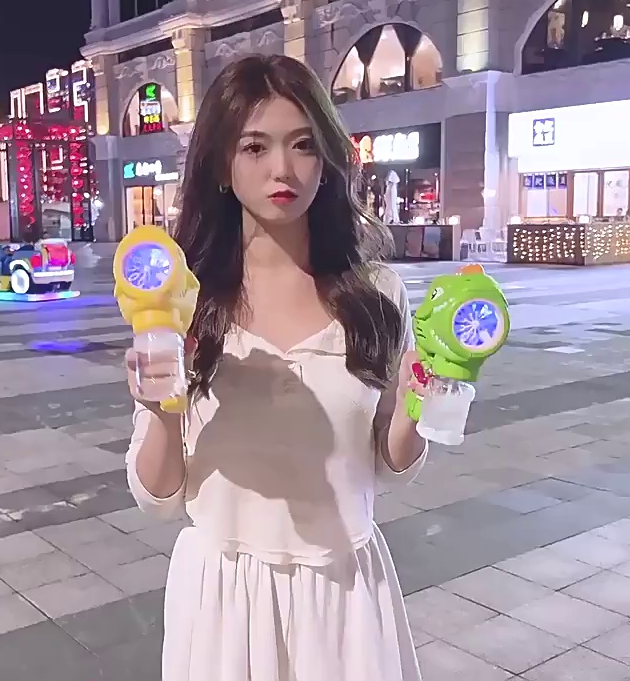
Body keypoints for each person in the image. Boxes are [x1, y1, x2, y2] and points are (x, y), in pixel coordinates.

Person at [123, 54, 428, 681]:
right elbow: (158, 495)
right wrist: (159, 410)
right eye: (255, 147)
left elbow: (390, 465)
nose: (281, 169)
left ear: (329, 158)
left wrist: (422, 397)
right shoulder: (185, 295)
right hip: (224, 600)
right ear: (222, 165)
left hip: (345, 595)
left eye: (303, 145)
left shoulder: (376, 293)